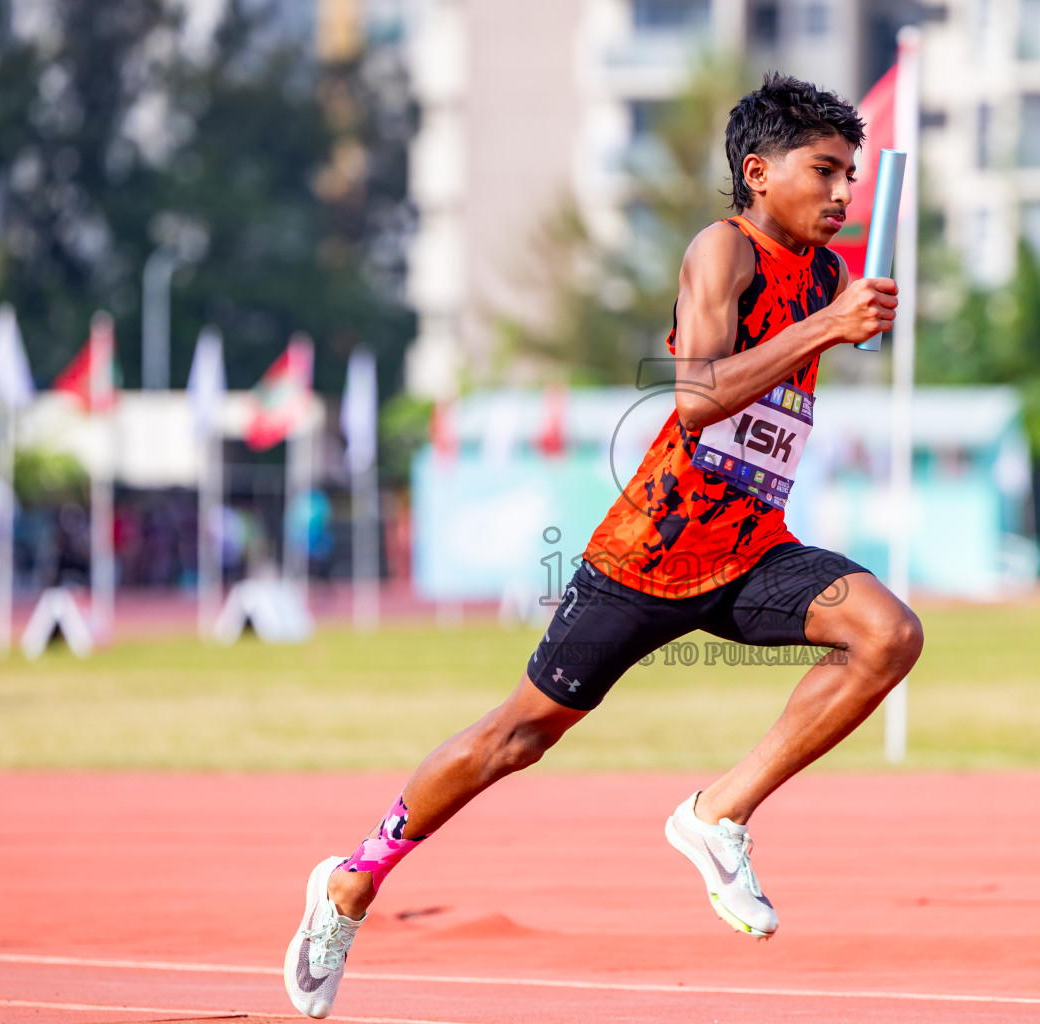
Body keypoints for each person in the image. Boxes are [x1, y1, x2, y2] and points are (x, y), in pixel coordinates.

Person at [285, 72, 923, 1020]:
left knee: (889, 634)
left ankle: (716, 816)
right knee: (517, 738)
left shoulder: (827, 273)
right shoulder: (723, 248)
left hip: (753, 549)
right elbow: (697, 395)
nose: (844, 194)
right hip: (651, 552)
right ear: (757, 172)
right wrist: (830, 328)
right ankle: (351, 881)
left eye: (853, 175)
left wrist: (842, 316)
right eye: (825, 171)